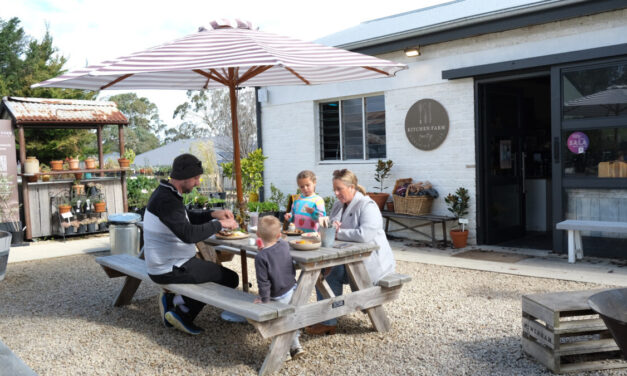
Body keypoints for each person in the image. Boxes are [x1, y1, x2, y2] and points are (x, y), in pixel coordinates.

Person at [143, 153, 239, 335]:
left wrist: (213, 214)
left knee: (213, 271)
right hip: (169, 268)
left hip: (167, 263)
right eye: (196, 178)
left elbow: (186, 217)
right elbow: (188, 235)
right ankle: (181, 311)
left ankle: (173, 300)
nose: (198, 182)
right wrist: (220, 224)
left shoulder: (166, 193)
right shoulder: (167, 201)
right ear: (184, 176)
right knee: (229, 279)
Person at [305, 169, 396, 336]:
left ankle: (329, 319)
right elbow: (330, 226)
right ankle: (328, 321)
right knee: (324, 270)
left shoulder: (368, 206)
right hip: (348, 259)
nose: (336, 193)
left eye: (339, 189)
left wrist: (338, 231)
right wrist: (326, 226)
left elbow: (364, 235)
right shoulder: (339, 205)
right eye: (334, 189)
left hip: (370, 264)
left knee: (330, 271)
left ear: (352, 187)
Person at [253, 216, 304, 359]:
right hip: (290, 288)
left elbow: (263, 282)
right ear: (279, 235)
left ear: (258, 235)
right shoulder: (284, 245)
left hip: (276, 294)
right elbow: (280, 241)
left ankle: (284, 352)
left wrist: (264, 299)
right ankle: (296, 345)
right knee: (289, 317)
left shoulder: (261, 257)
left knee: (280, 321)